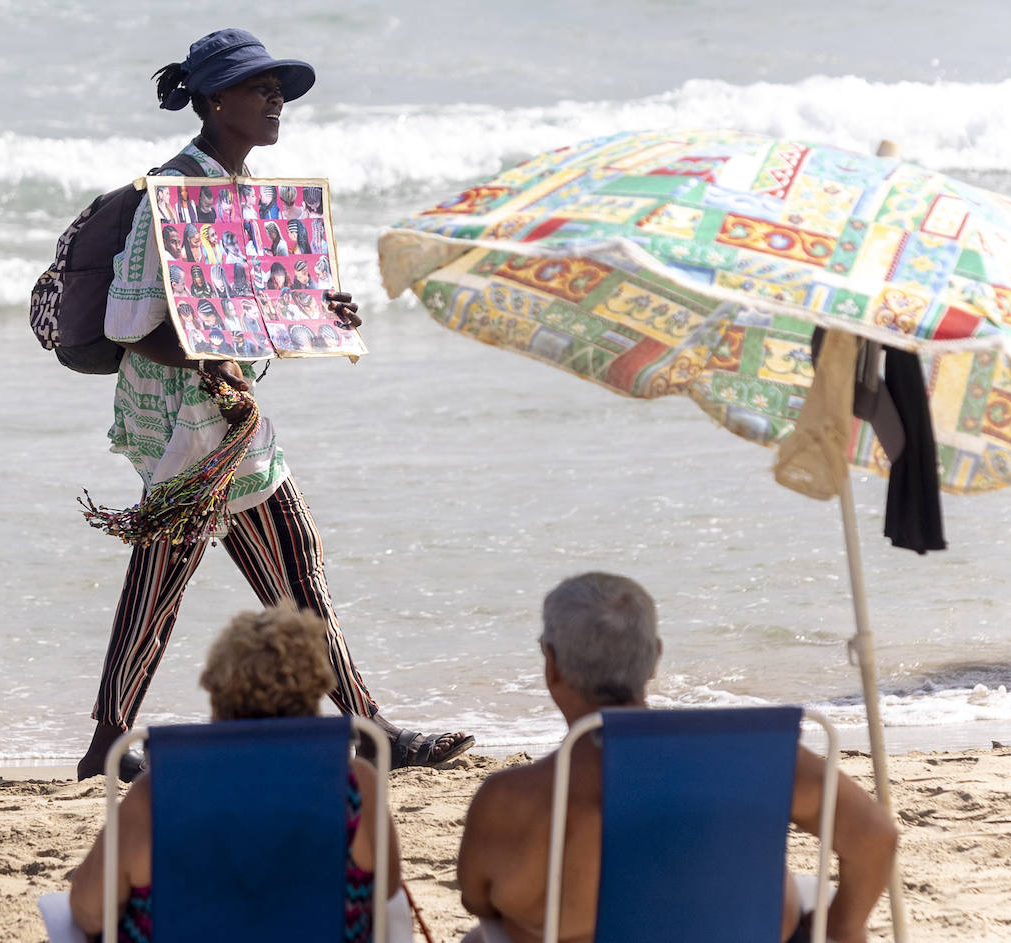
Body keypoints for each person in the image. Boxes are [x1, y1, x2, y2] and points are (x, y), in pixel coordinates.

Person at [90, 27, 474, 781]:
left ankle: (368, 733)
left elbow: (245, 308)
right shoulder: (170, 196)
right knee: (208, 580)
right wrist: (215, 362)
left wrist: (317, 312)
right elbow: (127, 325)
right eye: (257, 88)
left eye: (277, 89)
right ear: (212, 101)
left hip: (226, 426)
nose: (275, 100)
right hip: (185, 431)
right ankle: (367, 735)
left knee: (263, 573)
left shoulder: (244, 197)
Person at [457, 573, 899, 943]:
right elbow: (876, 837)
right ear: (654, 659)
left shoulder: (511, 798)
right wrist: (841, 930)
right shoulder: (756, 757)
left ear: (550, 664)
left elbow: (477, 899)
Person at [68, 607, 403, 941]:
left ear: (216, 692)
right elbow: (385, 890)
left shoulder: (159, 793)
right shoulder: (356, 786)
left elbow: (90, 911)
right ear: (315, 691)